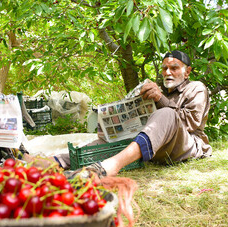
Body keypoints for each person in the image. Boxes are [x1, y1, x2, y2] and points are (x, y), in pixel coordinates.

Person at [25, 50, 212, 177]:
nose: (168, 72)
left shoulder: (196, 88)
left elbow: (189, 122)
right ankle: (56, 161)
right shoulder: (157, 90)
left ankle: (112, 165)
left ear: (187, 72)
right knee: (110, 137)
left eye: (174, 68)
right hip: (157, 147)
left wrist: (159, 99)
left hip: (185, 146)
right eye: (164, 68)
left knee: (167, 115)